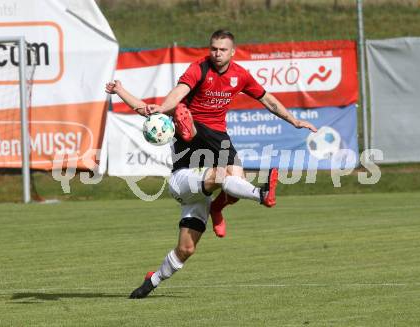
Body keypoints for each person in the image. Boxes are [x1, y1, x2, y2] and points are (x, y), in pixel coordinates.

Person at [105, 29, 317, 299]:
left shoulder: (240, 75)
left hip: (216, 142)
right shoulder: (196, 75)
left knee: (187, 249)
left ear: (232, 51)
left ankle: (153, 279)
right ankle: (261, 195)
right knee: (221, 175)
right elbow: (173, 95)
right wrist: (147, 101)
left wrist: (295, 121)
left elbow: (268, 100)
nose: (216, 53)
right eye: (213, 48)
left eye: (222, 49)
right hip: (183, 177)